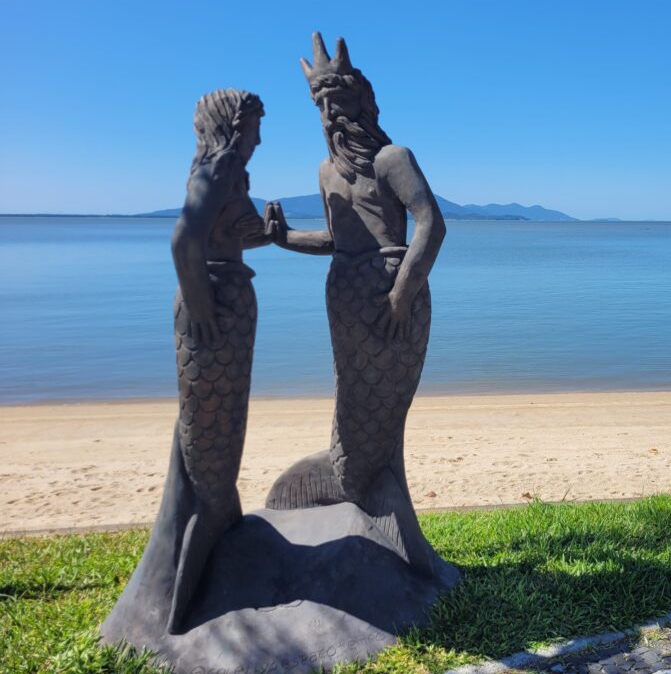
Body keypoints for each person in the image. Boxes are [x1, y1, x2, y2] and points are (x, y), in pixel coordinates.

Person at [263, 33, 447, 576]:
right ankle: (354, 501)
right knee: (350, 404)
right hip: (344, 300)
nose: (329, 114)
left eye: (338, 100)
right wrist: (284, 238)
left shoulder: (392, 159)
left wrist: (401, 296)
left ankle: (382, 512)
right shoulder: (327, 173)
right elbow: (337, 240)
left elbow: (430, 224)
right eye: (320, 104)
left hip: (393, 301)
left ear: (363, 100)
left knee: (380, 416)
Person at [104, 89, 270, 636]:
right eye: (255, 125)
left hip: (226, 300)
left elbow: (222, 237)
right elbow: (184, 241)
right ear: (234, 125)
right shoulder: (220, 168)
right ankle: (194, 561)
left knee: (221, 425)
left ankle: (217, 524)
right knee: (211, 429)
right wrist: (202, 307)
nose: (260, 137)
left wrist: (266, 232)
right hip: (216, 307)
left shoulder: (226, 173)